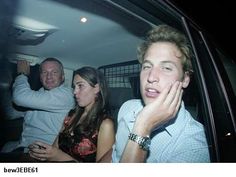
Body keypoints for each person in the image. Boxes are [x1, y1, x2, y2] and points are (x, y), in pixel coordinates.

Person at [111, 25, 210, 162]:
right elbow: (115, 154)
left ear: (185, 79)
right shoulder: (127, 108)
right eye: (147, 66)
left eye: (166, 68)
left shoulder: (193, 145)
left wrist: (143, 126)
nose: (151, 77)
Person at [28, 66, 115, 162]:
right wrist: (44, 153)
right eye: (74, 87)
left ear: (96, 88)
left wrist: (59, 156)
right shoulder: (71, 115)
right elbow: (55, 147)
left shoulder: (105, 124)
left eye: (80, 86)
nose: (74, 92)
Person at [1, 58, 75, 153]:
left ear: (63, 77)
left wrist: (22, 74)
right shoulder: (39, 94)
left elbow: (20, 98)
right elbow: (10, 113)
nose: (49, 76)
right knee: (7, 146)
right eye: (44, 72)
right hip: (24, 147)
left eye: (54, 72)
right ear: (40, 77)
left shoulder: (66, 95)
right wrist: (4, 87)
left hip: (42, 154)